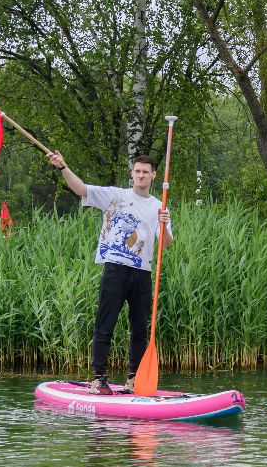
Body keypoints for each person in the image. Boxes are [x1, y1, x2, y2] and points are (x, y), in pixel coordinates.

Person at [46, 149, 173, 395]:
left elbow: (165, 244)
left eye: (145, 172)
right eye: (137, 171)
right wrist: (63, 167)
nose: (141, 175)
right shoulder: (115, 196)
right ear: (132, 174)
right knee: (106, 324)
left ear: (153, 175)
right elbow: (81, 189)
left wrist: (164, 225)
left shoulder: (160, 206)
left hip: (142, 273)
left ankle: (134, 378)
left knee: (139, 328)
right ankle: (99, 379)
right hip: (115, 268)